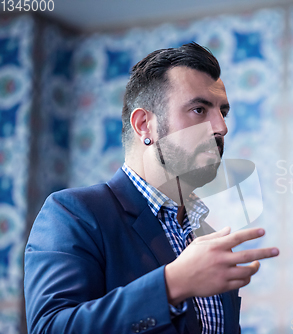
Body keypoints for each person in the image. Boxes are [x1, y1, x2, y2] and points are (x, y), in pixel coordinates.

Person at [24, 42, 279, 334]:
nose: (221, 127)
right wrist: (173, 284)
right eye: (199, 109)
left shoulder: (209, 232)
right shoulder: (74, 214)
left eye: (223, 112)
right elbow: (50, 328)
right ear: (144, 124)